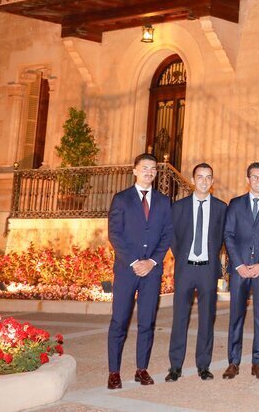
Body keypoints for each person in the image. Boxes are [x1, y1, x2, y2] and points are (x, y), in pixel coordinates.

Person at [106, 153, 173, 390]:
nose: (149, 172)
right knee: (119, 321)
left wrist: (152, 261)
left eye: (153, 168)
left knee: (147, 322)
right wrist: (135, 261)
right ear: (134, 170)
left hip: (152, 272)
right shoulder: (122, 199)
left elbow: (167, 235)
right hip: (127, 270)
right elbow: (115, 234)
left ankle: (141, 369)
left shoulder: (164, 201)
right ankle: (114, 372)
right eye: (145, 168)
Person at [166, 163, 227, 382]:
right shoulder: (179, 207)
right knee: (180, 318)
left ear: (212, 181)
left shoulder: (221, 207)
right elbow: (172, 236)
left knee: (206, 319)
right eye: (199, 177)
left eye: (208, 177)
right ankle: (175, 366)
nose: (203, 181)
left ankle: (203, 365)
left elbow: (223, 238)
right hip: (186, 268)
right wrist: (182, 257)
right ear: (193, 180)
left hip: (208, 271)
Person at [223, 162, 259, 379]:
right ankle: (233, 362)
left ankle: (258, 362)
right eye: (255, 177)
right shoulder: (235, 204)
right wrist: (238, 264)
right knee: (236, 316)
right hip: (239, 270)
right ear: (247, 180)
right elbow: (228, 235)